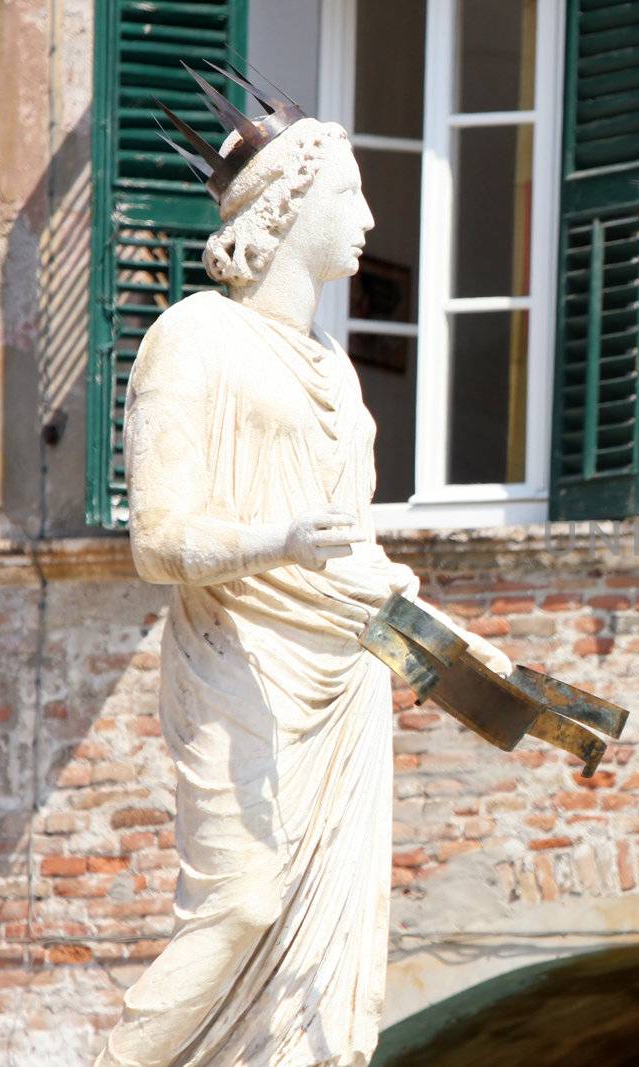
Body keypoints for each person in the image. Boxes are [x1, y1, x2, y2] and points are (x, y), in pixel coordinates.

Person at [95, 109, 509, 1067]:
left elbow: (355, 564)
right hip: (240, 652)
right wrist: (274, 537)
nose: (368, 216)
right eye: (350, 194)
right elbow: (158, 540)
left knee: (330, 943)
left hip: (344, 670)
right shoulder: (193, 336)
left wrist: (469, 658)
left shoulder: (336, 370)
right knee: (241, 900)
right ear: (285, 207)